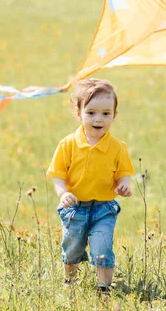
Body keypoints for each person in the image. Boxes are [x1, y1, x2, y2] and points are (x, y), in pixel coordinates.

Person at [47, 78, 134, 294]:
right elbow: (58, 174)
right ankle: (70, 282)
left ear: (114, 115)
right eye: (91, 112)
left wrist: (123, 186)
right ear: (79, 114)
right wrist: (63, 192)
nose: (98, 119)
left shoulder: (117, 147)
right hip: (75, 207)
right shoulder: (68, 144)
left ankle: (104, 288)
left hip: (104, 208)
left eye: (106, 113)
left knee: (102, 245)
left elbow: (124, 174)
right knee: (73, 246)